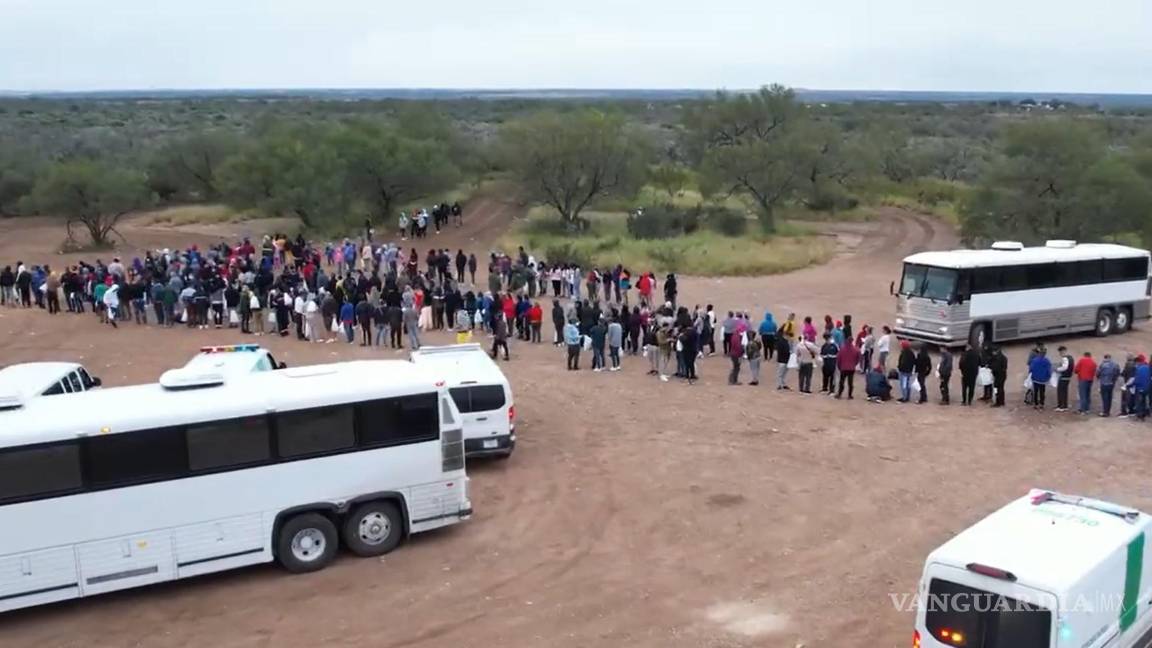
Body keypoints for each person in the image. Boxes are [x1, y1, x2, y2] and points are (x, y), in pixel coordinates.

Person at [1055, 345, 1074, 412]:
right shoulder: (1071, 358)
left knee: (1060, 391)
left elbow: (1064, 367)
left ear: (1062, 351)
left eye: (1060, 352)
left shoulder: (1065, 358)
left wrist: (1057, 369)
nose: (1060, 354)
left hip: (1063, 377)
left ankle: (1061, 406)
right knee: (1065, 391)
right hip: (1068, 377)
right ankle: (1065, 405)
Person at [727, 321, 745, 385]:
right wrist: (742, 351)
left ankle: (732, 380)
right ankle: (733, 380)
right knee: (736, 368)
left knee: (735, 367)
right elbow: (738, 347)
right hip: (736, 354)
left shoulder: (734, 335)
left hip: (734, 353)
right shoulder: (736, 337)